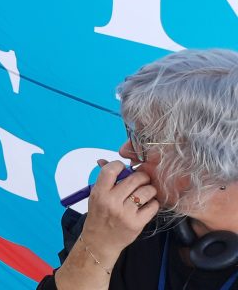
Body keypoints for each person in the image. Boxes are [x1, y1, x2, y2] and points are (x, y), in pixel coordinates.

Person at [38, 49, 238, 289]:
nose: (125, 151)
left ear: (209, 163)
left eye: (145, 140)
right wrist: (97, 245)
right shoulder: (123, 220)